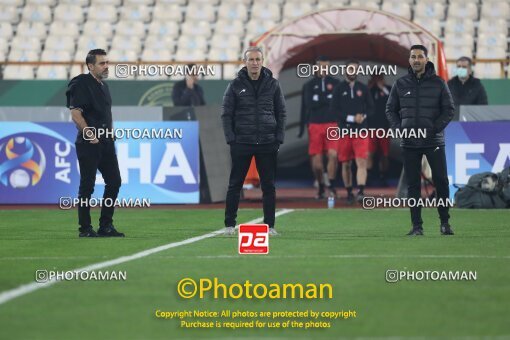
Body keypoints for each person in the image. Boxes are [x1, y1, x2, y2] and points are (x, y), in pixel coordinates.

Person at [386, 44, 455, 236]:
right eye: (413, 57)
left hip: (433, 141)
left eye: (420, 57)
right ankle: (417, 226)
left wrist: (434, 129)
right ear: (409, 60)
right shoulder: (400, 84)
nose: (416, 60)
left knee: (441, 181)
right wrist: (399, 129)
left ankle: (445, 223)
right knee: (413, 185)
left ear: (426, 59)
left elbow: (449, 110)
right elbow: (390, 109)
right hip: (410, 143)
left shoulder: (439, 83)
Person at [221, 46, 286, 236]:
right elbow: (226, 114)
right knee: (235, 185)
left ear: (262, 61)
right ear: (245, 62)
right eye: (251, 60)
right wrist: (231, 140)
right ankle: (229, 225)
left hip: (267, 143)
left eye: (258, 59)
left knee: (268, 186)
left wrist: (278, 138)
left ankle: (269, 226)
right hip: (242, 142)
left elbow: (281, 112)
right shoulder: (234, 85)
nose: (255, 63)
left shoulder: (273, 84)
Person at [66, 49, 124, 238]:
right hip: (88, 142)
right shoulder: (80, 83)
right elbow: (75, 113)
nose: (106, 66)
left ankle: (105, 226)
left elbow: (107, 114)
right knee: (87, 186)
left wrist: (111, 131)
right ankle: (85, 228)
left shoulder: (104, 86)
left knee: (114, 181)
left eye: (107, 62)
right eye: (102, 63)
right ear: (90, 66)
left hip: (106, 142)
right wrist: (89, 133)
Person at [330, 60, 374, 204]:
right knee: (346, 163)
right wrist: (351, 118)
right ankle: (349, 192)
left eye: (355, 69)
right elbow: (334, 110)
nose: (352, 71)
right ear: (345, 70)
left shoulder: (363, 88)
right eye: (350, 69)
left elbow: (371, 107)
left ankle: (361, 191)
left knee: (361, 160)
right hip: (344, 131)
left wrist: (363, 116)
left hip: (361, 131)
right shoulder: (338, 88)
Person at [298, 56, 340, 199]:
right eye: (321, 66)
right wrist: (327, 98)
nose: (324, 69)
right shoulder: (309, 85)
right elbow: (309, 104)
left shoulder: (336, 83)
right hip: (315, 124)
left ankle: (332, 186)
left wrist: (320, 98)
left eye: (326, 66)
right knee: (317, 163)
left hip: (332, 124)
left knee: (333, 155)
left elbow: (336, 102)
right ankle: (321, 186)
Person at [367, 74, 391, 186]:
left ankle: (383, 176)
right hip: (370, 128)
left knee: (384, 154)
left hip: (384, 127)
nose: (378, 81)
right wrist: (370, 86)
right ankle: (368, 176)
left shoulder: (389, 89)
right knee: (369, 153)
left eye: (380, 78)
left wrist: (382, 88)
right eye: (375, 78)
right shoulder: (368, 90)